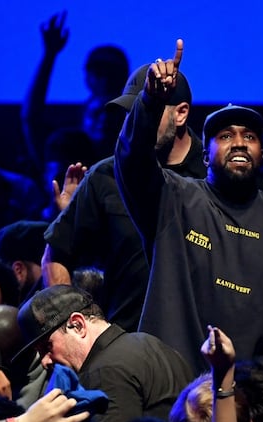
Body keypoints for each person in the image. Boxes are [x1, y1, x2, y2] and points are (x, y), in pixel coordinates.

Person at [113, 41, 263, 422]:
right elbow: (131, 161)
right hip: (173, 403)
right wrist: (151, 101)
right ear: (205, 154)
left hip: (252, 417)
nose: (239, 143)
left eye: (250, 136)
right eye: (225, 136)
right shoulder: (174, 198)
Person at [43, 61, 205, 332]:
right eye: (130, 114)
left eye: (147, 111)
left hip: (201, 343)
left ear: (180, 114)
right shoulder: (105, 176)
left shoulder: (213, 176)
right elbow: (55, 255)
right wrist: (70, 329)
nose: (136, 123)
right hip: (123, 338)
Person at [14, 284, 192, 422]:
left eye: (47, 346)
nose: (45, 362)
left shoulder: (103, 372)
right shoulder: (150, 342)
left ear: (77, 325)